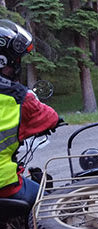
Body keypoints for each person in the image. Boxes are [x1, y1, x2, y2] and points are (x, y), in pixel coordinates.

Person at [0, 20, 59, 206]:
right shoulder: (18, 97)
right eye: (16, 59)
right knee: (47, 204)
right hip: (4, 185)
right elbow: (51, 118)